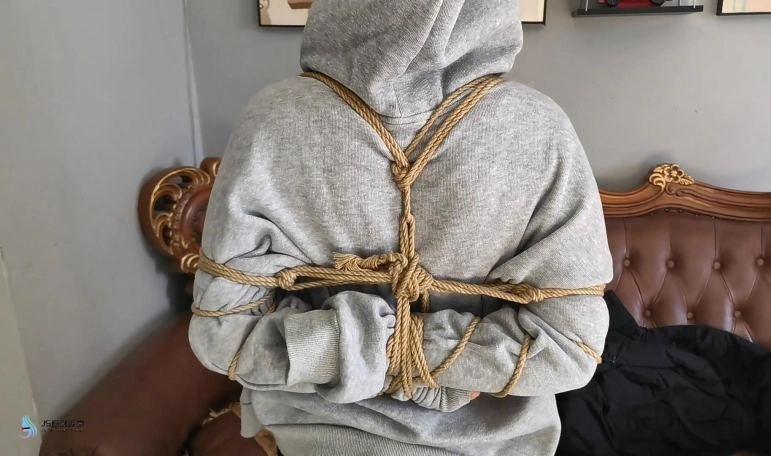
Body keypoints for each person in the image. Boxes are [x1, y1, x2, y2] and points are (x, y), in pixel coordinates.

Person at [189, 0, 613, 455]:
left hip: (311, 435)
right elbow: (571, 347)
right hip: (493, 443)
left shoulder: (272, 120)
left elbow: (222, 336)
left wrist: (354, 346)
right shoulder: (540, 129)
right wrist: (427, 358)